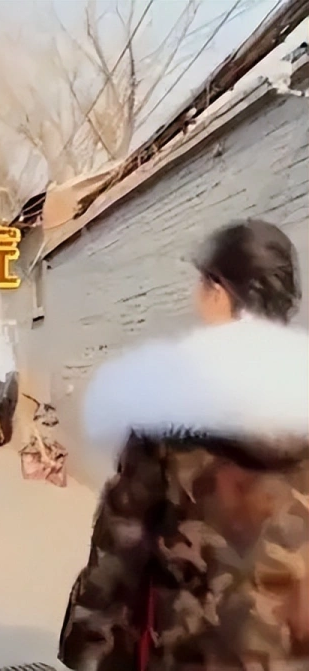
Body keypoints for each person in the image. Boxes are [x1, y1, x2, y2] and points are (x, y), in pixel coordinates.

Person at [58, 219, 309, 670]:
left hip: (194, 653)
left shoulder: (168, 407)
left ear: (219, 292)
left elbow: (121, 552)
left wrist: (91, 651)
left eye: (202, 284)